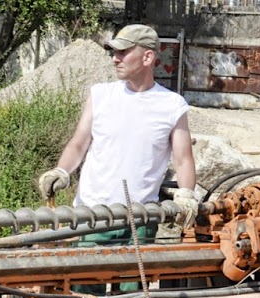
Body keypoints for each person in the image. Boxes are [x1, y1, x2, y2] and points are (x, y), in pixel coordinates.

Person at [37, 24, 198, 238]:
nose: (115, 58)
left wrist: (186, 194)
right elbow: (79, 143)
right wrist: (61, 171)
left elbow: (183, 159)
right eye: (114, 52)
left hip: (140, 220)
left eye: (123, 52)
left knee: (135, 273)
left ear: (147, 57)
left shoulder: (172, 105)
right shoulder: (101, 95)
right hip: (92, 216)